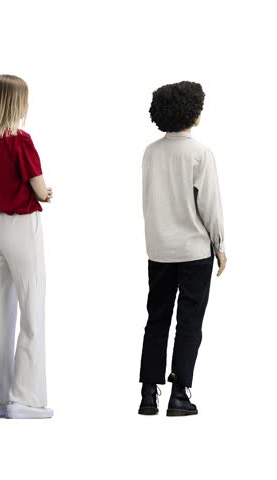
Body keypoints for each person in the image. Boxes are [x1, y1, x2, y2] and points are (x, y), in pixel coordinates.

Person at [138, 81, 226, 417]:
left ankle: (148, 394)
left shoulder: (151, 152)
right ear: (193, 113)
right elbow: (210, 205)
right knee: (189, 322)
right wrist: (219, 244)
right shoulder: (199, 153)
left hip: (159, 249)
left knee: (156, 319)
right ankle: (179, 394)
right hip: (193, 251)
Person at [0, 74, 54, 419]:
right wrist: (46, 192)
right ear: (15, 102)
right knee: (32, 307)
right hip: (22, 226)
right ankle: (26, 398)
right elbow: (39, 189)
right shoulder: (20, 140)